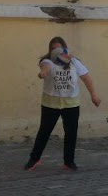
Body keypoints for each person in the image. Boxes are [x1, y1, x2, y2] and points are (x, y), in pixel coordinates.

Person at [24, 36, 101, 171]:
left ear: (64, 48)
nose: (56, 51)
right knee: (44, 132)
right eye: (53, 48)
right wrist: (43, 73)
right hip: (50, 104)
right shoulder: (47, 61)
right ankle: (34, 159)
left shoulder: (74, 62)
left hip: (71, 104)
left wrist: (94, 95)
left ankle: (69, 162)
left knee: (71, 133)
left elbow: (86, 78)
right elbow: (45, 68)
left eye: (59, 48)